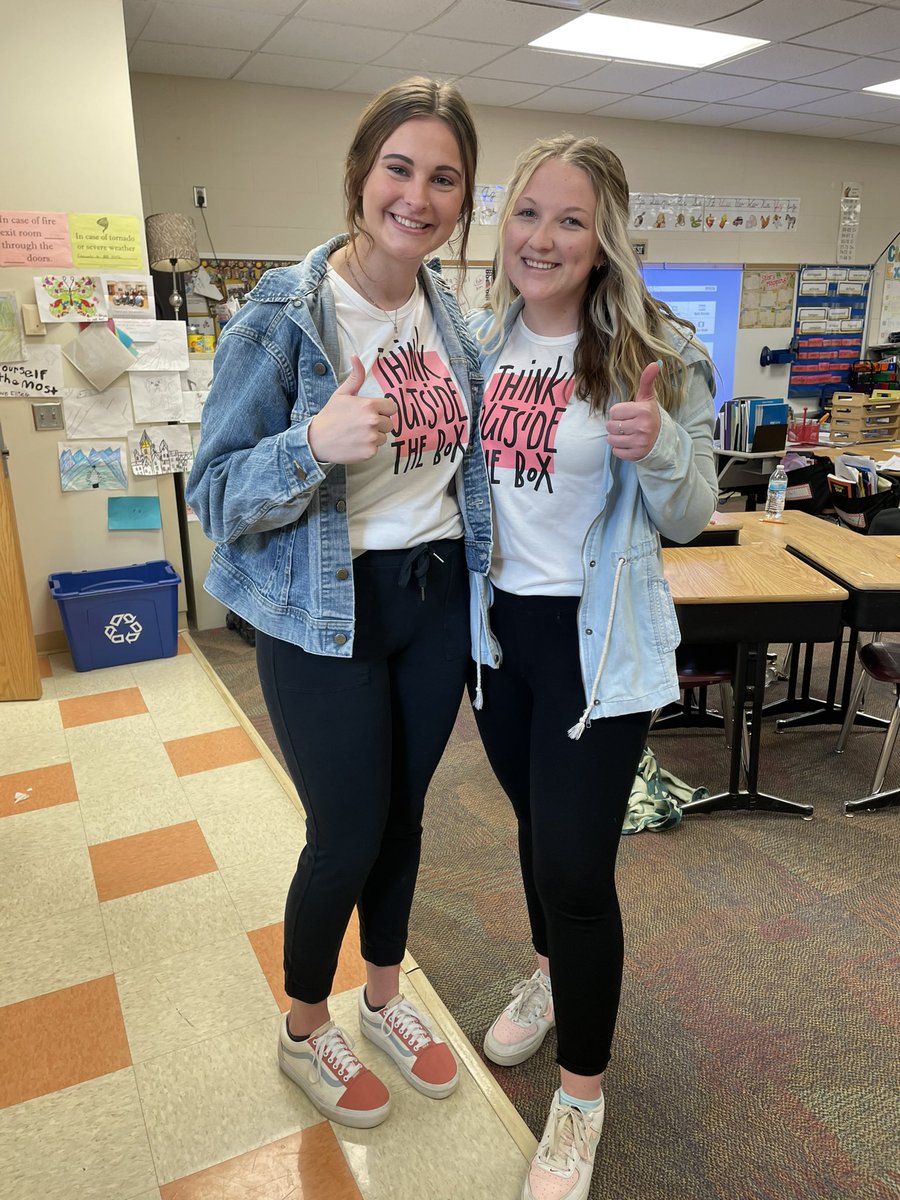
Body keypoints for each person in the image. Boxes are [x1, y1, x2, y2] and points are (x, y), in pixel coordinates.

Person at [186, 77, 491, 1131]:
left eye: (444, 177)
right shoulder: (283, 313)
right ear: (361, 173)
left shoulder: (453, 317)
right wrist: (312, 444)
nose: (418, 194)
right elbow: (213, 495)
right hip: (324, 609)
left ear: (463, 199)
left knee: (404, 819)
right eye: (399, 167)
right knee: (347, 827)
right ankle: (306, 1025)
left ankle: (385, 997)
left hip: (433, 594)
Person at [468, 135, 717, 1200]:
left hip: (594, 644)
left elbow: (694, 514)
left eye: (571, 220)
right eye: (529, 213)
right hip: (497, 639)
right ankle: (547, 974)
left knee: (575, 866)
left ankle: (582, 1095)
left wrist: (656, 438)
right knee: (534, 833)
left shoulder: (653, 350)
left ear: (604, 237)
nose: (544, 238)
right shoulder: (478, 340)